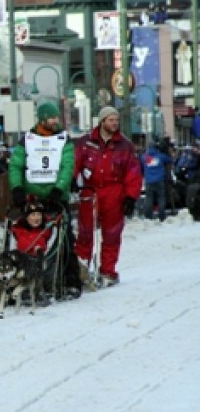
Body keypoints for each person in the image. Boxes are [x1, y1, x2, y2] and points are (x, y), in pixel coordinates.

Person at [9, 100, 82, 300]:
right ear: (42, 119)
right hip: (31, 197)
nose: (55, 121)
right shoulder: (28, 140)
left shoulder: (63, 139)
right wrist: (16, 187)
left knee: (64, 239)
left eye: (56, 117)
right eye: (52, 118)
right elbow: (16, 164)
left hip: (56, 197)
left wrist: (59, 189)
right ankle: (20, 277)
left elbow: (68, 166)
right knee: (26, 238)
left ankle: (70, 281)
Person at [74, 106, 143, 288]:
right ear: (102, 121)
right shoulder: (85, 143)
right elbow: (74, 163)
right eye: (111, 120)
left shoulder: (125, 146)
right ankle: (81, 268)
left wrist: (130, 197)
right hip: (90, 191)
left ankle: (107, 271)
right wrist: (72, 181)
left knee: (112, 234)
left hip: (114, 192)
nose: (114, 123)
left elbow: (133, 173)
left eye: (116, 120)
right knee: (85, 232)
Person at [140, 143, 173, 221]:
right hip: (159, 180)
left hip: (148, 181)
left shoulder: (144, 157)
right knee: (161, 198)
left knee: (149, 198)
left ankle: (148, 215)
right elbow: (170, 159)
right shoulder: (161, 156)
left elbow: (140, 165)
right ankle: (162, 215)